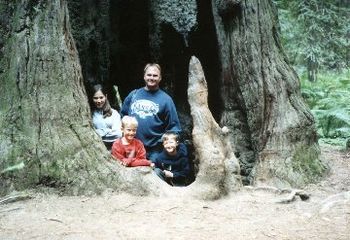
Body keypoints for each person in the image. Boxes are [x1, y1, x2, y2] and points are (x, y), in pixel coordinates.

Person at [121, 63, 181, 162]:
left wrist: (166, 142)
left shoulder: (166, 100)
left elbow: (174, 127)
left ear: (160, 78)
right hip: (132, 146)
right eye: (149, 75)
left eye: (155, 75)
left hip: (155, 150)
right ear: (144, 76)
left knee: (154, 174)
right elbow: (123, 117)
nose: (151, 78)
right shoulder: (133, 95)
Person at [91, 84, 122, 150]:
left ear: (106, 96)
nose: (99, 101)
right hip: (97, 149)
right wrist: (109, 130)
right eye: (95, 98)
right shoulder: (90, 114)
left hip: (114, 149)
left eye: (101, 97)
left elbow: (118, 134)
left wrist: (98, 132)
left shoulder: (114, 113)